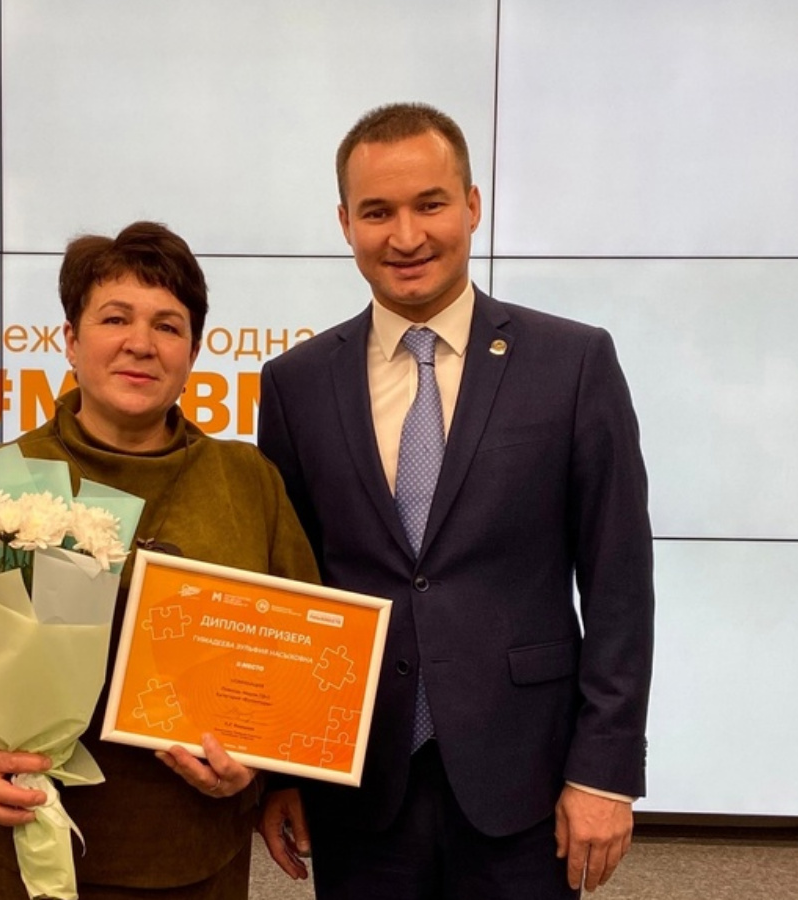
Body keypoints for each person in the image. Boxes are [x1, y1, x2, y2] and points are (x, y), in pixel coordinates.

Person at [255, 103, 654, 898]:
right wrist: (281, 771)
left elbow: (618, 582)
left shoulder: (572, 363)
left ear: (472, 205)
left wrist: (605, 771)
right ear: (345, 223)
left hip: (527, 781)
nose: (406, 236)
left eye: (430, 204)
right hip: (357, 784)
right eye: (378, 212)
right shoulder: (296, 384)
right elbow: (288, 591)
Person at [0, 221, 320, 899]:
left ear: (193, 352)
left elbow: (302, 658)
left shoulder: (246, 481)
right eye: (115, 318)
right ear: (71, 341)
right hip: (36, 840)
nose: (141, 342)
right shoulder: (5, 479)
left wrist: (262, 769)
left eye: (168, 326)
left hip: (199, 850)